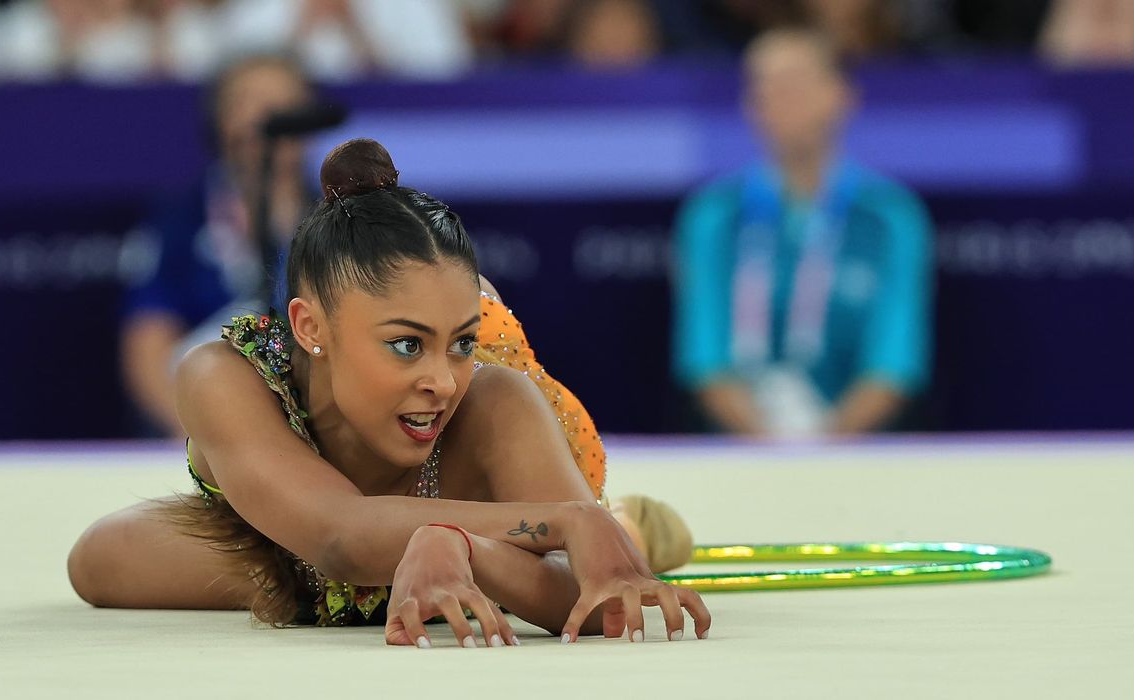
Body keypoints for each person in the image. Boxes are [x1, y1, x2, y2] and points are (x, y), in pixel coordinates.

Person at [69, 138, 706, 647]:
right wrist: (563, 523)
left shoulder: (492, 398)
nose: (442, 378)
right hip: (288, 545)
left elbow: (588, 604)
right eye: (406, 345)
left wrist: (467, 548)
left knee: (594, 535)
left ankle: (626, 524)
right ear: (309, 327)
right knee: (99, 561)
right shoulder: (222, 375)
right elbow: (340, 536)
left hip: (483, 496)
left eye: (460, 342)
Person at [671, 28, 933, 439]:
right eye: (765, 86)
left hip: (859, 460)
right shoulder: (713, 215)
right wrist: (772, 450)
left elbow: (894, 361)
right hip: (738, 458)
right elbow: (706, 359)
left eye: (797, 82)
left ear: (842, 94)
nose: (781, 98)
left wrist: (822, 451)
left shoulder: (890, 216)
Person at [121, 54, 314, 436]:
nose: (266, 119)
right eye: (248, 102)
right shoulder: (178, 220)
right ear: (219, 120)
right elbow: (147, 346)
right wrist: (197, 442)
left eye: (283, 104)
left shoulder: (345, 216)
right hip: (204, 427)